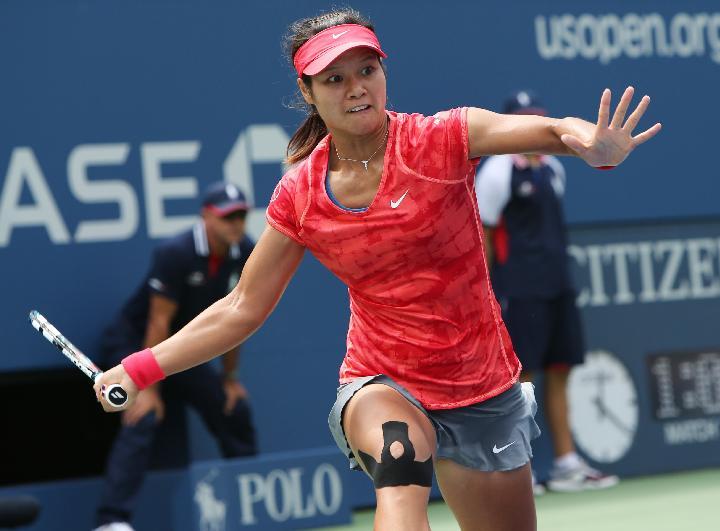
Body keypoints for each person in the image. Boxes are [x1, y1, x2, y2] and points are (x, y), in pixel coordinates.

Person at [94, 8, 660, 531]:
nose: (355, 87)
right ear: (308, 92)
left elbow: (550, 129)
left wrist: (592, 143)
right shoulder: (300, 195)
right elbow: (243, 306)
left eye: (366, 69)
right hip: (381, 378)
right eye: (334, 79)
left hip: (480, 384)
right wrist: (140, 368)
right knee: (400, 455)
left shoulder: (442, 138)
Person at [475, 90, 620, 495]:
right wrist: (484, 294)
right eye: (523, 120)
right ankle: (519, 466)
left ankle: (566, 464)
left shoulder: (555, 169)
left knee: (561, 370)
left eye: (537, 119)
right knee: (520, 380)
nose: (531, 128)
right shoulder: (496, 173)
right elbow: (484, 236)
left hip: (558, 286)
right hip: (518, 291)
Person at [93, 182, 258, 531]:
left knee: (233, 409)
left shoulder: (245, 251)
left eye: (242, 216)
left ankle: (251, 505)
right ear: (206, 217)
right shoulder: (176, 252)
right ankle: (112, 521)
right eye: (228, 217)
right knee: (143, 415)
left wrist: (229, 380)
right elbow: (158, 321)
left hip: (181, 351)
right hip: (135, 344)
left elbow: (238, 319)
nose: (236, 224)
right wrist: (146, 387)